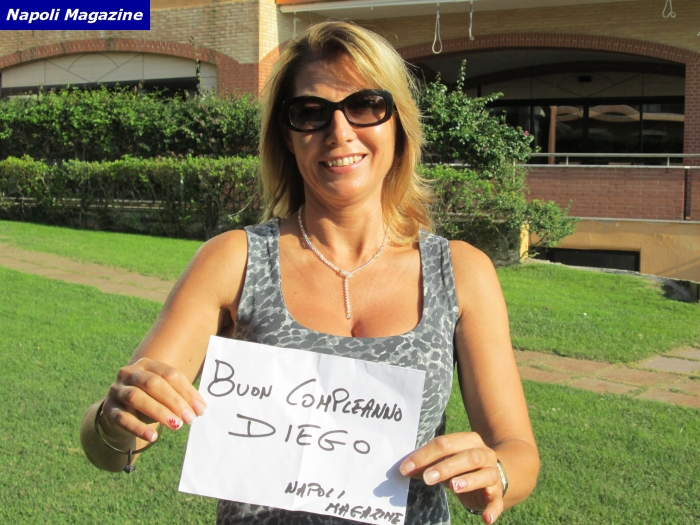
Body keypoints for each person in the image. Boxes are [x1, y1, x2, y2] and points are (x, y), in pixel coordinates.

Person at [80, 21, 539, 525]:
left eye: (366, 105)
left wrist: (496, 473)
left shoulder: (461, 272)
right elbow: (109, 445)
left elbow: (517, 449)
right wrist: (116, 421)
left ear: (399, 123)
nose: (339, 132)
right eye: (310, 112)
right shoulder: (232, 261)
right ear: (287, 134)